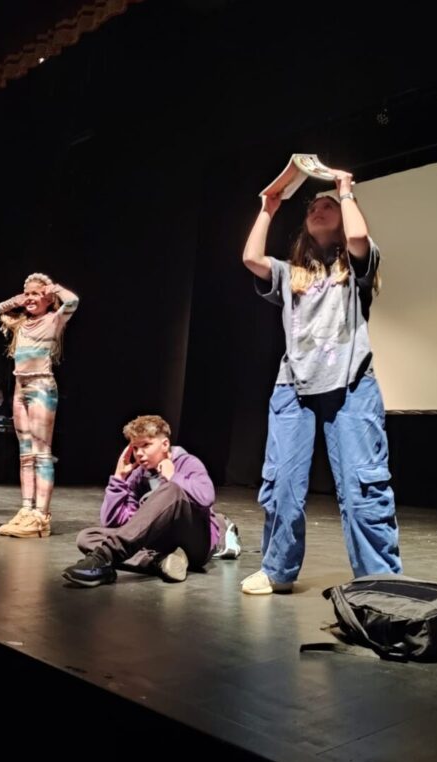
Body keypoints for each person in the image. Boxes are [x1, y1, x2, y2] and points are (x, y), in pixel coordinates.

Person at [240, 167, 402, 596]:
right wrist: (268, 207)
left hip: (351, 386)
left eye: (328, 205)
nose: (318, 208)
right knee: (282, 485)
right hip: (292, 388)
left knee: (363, 486)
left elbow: (358, 238)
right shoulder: (289, 273)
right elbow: (252, 259)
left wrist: (344, 190)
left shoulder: (356, 266)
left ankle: (381, 580)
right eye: (313, 206)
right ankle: (277, 570)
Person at [62, 415, 231, 587]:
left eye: (146, 445)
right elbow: (113, 522)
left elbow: (206, 497)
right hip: (159, 544)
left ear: (165, 444)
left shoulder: (187, 462)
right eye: (135, 448)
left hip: (194, 543)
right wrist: (119, 479)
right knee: (87, 537)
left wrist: (173, 476)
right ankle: (161, 562)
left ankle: (104, 558)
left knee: (172, 490)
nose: (139, 453)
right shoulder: (139, 475)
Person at [0, 273, 78, 539]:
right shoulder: (21, 324)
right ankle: (27, 509)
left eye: (35, 294)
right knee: (25, 454)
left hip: (41, 387)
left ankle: (41, 515)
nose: (29, 298)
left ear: (48, 298)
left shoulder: (53, 320)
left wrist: (53, 289)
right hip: (21, 388)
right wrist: (21, 298)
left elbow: (72, 302)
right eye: (26, 293)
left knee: (41, 452)